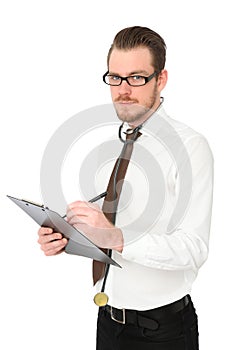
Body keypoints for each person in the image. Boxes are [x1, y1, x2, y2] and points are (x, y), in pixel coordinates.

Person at [37, 26, 214, 349]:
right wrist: (68, 237)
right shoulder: (112, 145)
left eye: (137, 78)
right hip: (108, 321)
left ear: (160, 80)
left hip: (163, 331)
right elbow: (110, 230)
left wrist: (115, 237)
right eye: (115, 78)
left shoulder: (191, 147)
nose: (123, 89)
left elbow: (194, 249)